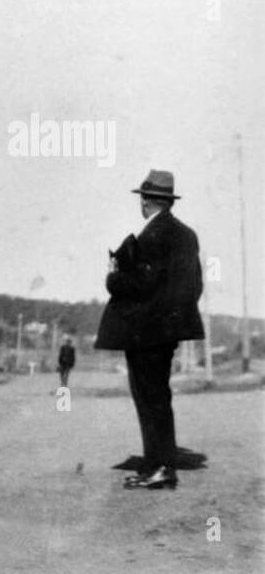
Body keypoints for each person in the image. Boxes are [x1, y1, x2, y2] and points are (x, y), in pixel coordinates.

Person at [94, 170, 204, 489]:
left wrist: (114, 276)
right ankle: (156, 465)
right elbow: (193, 286)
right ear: (169, 200)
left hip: (145, 334)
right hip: (166, 333)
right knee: (158, 397)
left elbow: (141, 285)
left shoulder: (152, 236)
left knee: (148, 398)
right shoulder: (187, 235)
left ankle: (161, 468)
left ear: (144, 201)